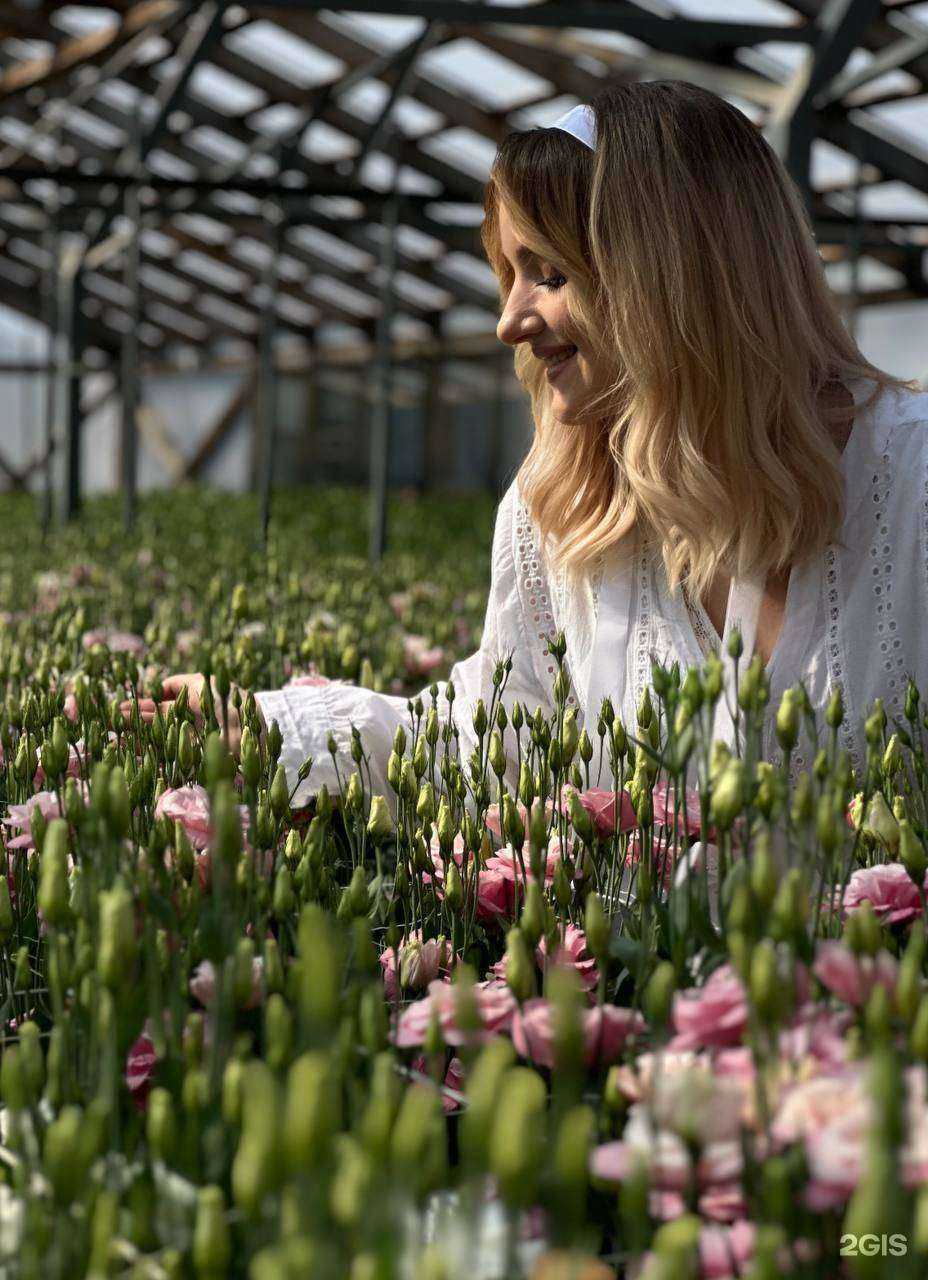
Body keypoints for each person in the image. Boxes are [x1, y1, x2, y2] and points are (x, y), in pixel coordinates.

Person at [129, 81, 927, 810]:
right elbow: (499, 744)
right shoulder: (559, 509)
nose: (510, 320)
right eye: (508, 274)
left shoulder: (912, 482)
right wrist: (285, 731)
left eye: (549, 273)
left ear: (675, 277)